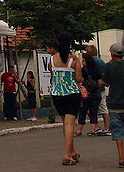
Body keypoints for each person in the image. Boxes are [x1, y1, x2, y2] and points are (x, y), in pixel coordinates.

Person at [46, 32, 82, 166]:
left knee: (65, 124)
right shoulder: (74, 59)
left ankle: (72, 152)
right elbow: (78, 78)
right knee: (70, 124)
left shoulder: (51, 60)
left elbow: (52, 74)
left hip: (57, 94)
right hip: (71, 93)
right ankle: (67, 155)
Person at [75, 53, 102, 136]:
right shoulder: (96, 69)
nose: (82, 62)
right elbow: (100, 82)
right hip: (96, 94)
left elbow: (79, 80)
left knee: (83, 111)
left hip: (85, 94)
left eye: (83, 60)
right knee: (93, 112)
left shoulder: (83, 70)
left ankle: (79, 130)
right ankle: (93, 129)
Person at [86, 44, 111, 135]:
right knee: (103, 108)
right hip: (101, 88)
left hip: (94, 88)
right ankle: (106, 127)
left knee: (93, 109)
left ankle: (98, 127)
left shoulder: (92, 62)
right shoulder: (101, 61)